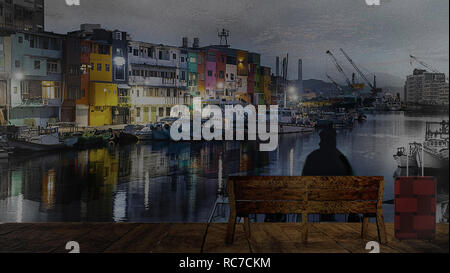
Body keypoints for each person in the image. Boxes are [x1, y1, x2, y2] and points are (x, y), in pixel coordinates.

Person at [302, 127, 359, 222]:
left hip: (315, 201)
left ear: (321, 140)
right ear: (334, 141)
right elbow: (353, 183)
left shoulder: (312, 157)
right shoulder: (341, 159)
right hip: (340, 202)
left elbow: (303, 181)